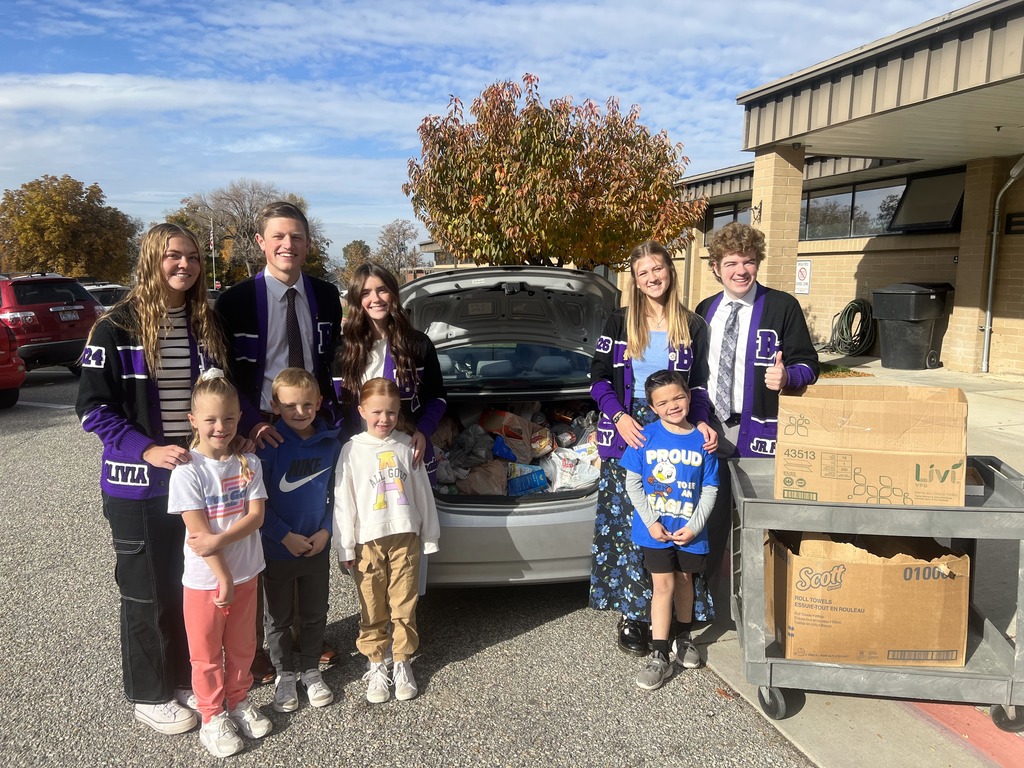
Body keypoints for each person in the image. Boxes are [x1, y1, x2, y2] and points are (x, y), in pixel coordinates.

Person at [77, 223, 229, 735]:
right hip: (136, 486)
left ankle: (182, 678)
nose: (183, 264)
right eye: (172, 256)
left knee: (187, 586)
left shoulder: (202, 323)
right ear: (150, 260)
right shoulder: (114, 327)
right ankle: (149, 692)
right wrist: (145, 449)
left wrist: (250, 426)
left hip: (194, 481)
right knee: (145, 590)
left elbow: (221, 396)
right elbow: (93, 411)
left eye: (191, 256)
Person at [215, 200, 344, 682]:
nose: (288, 245)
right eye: (279, 237)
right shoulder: (235, 301)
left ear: (308, 244)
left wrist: (329, 417)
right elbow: (226, 373)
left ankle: (306, 638)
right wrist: (249, 423)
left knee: (308, 518)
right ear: (261, 242)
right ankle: (266, 646)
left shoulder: (328, 295)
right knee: (259, 537)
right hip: (259, 428)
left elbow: (330, 364)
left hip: (308, 424)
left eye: (297, 237)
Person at [589, 240, 717, 656]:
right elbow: (599, 378)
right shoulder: (619, 320)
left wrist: (701, 421)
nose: (652, 278)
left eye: (657, 269)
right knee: (633, 526)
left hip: (676, 429)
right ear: (634, 279)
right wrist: (618, 417)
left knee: (675, 515)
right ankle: (633, 614)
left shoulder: (692, 324)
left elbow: (698, 385)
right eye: (643, 272)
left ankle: (679, 620)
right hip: (630, 430)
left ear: (670, 271)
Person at [696, 222, 819, 588]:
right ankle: (708, 596)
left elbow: (809, 364)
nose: (741, 271)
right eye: (731, 262)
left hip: (760, 432)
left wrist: (789, 377)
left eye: (748, 261)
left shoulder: (782, 307)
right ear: (717, 267)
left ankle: (765, 595)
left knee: (761, 520)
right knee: (711, 515)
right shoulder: (705, 309)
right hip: (711, 429)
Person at [168, 370, 272, 758]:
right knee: (207, 654)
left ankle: (239, 700)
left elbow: (256, 516)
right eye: (210, 419)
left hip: (248, 571)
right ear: (193, 420)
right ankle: (212, 717)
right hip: (205, 582)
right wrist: (223, 577)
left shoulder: (247, 463)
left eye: (229, 418)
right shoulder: (187, 471)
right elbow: (198, 536)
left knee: (243, 646)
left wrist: (222, 541)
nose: (221, 427)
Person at [333, 377, 440, 704]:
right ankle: (376, 662)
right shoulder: (351, 451)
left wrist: (430, 535)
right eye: (377, 412)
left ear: (399, 412)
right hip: (368, 542)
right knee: (372, 606)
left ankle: (402, 660)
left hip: (405, 538)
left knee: (404, 604)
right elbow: (344, 501)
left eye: (391, 413)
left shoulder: (408, 445)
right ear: (362, 410)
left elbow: (423, 494)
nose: (384, 419)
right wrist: (345, 546)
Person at [620, 370, 719, 691]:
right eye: (663, 402)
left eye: (678, 397)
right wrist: (651, 521)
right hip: (655, 532)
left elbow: (710, 489)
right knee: (662, 587)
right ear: (652, 407)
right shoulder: (644, 437)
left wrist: (694, 526)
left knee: (685, 581)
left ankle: (684, 638)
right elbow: (632, 483)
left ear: (689, 397)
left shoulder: (704, 439)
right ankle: (660, 655)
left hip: (691, 533)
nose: (673, 405)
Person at [257, 367, 342, 713]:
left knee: (314, 611)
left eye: (308, 404)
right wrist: (283, 536)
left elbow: (337, 495)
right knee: (277, 618)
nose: (300, 412)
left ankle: (310, 669)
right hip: (278, 548)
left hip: (316, 546)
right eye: (290, 405)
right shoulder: (268, 446)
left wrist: (326, 530)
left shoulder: (331, 444)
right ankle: (284, 673)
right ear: (275, 405)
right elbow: (256, 501)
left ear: (320, 403)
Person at [335, 262, 446, 483]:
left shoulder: (418, 345)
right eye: (366, 293)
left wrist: (423, 431)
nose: (375, 299)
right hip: (359, 455)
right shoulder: (341, 350)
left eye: (382, 289)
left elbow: (437, 397)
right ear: (357, 300)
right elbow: (335, 406)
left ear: (393, 294)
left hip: (409, 452)